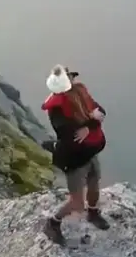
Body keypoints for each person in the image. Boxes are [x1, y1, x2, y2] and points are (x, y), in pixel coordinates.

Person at [42, 65, 110, 244]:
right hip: (74, 159)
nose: (72, 81)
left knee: (94, 184)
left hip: (88, 152)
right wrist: (92, 121)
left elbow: (100, 110)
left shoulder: (79, 93)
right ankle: (53, 223)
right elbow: (68, 132)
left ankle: (93, 213)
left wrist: (89, 126)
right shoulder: (57, 108)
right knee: (77, 202)